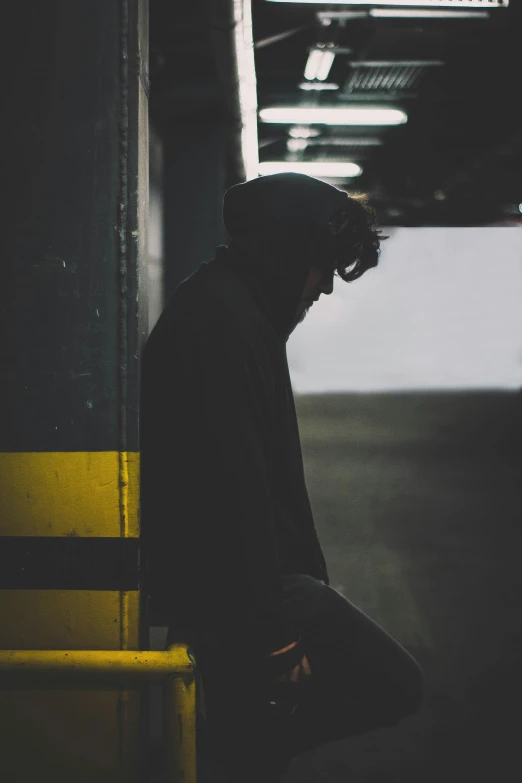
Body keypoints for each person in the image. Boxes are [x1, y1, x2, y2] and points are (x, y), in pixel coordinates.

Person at [140, 173, 423, 782]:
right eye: (320, 269)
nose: (322, 288)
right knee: (396, 683)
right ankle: (232, 750)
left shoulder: (231, 313)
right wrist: (274, 635)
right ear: (287, 254)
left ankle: (241, 748)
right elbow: (232, 492)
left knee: (258, 747)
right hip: (237, 589)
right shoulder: (223, 326)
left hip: (236, 583)